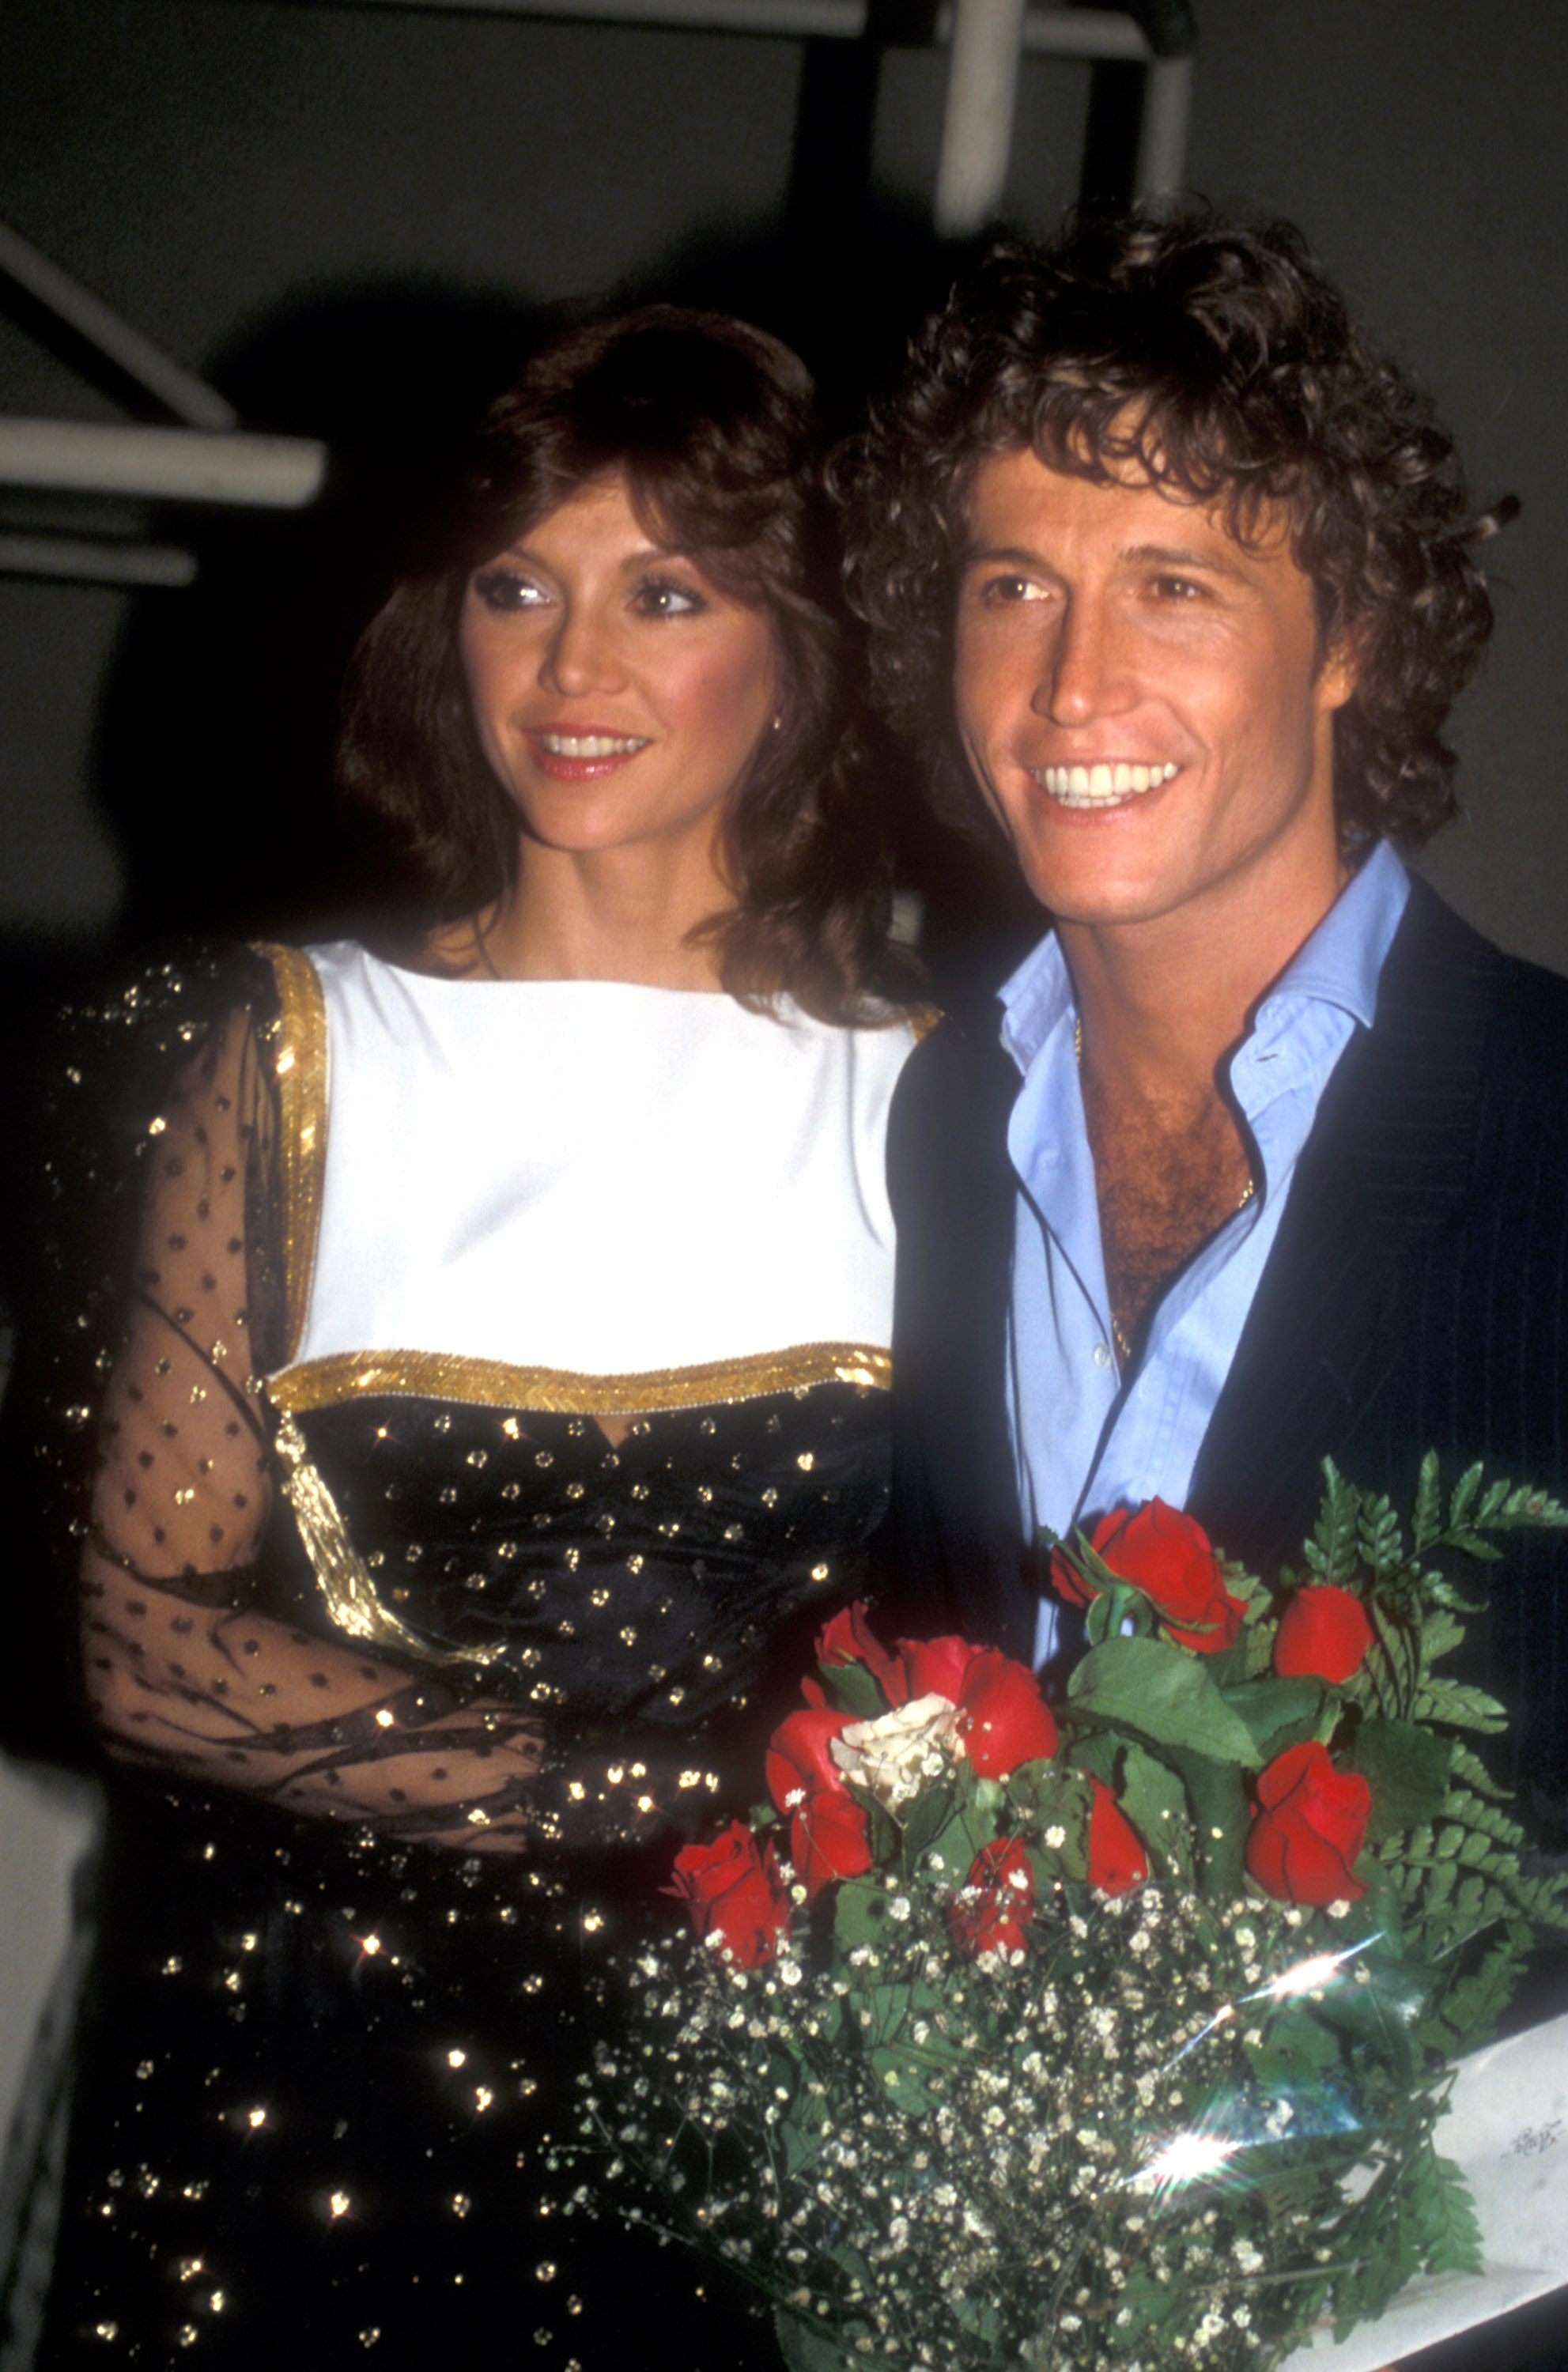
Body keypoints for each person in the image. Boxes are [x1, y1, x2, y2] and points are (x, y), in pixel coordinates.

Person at [13, 304, 922, 2368]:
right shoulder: (282, 1047)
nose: (574, 669)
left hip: (760, 2090)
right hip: (308, 2072)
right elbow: (141, 1641)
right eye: (520, 588)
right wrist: (650, 1795)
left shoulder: (948, 1103)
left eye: (663, 594)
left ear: (794, 657)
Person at [839, 208, 1568, 1819]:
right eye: (1015, 587)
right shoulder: (943, 1120)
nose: (1072, 682)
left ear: (1349, 643)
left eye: (1174, 586)